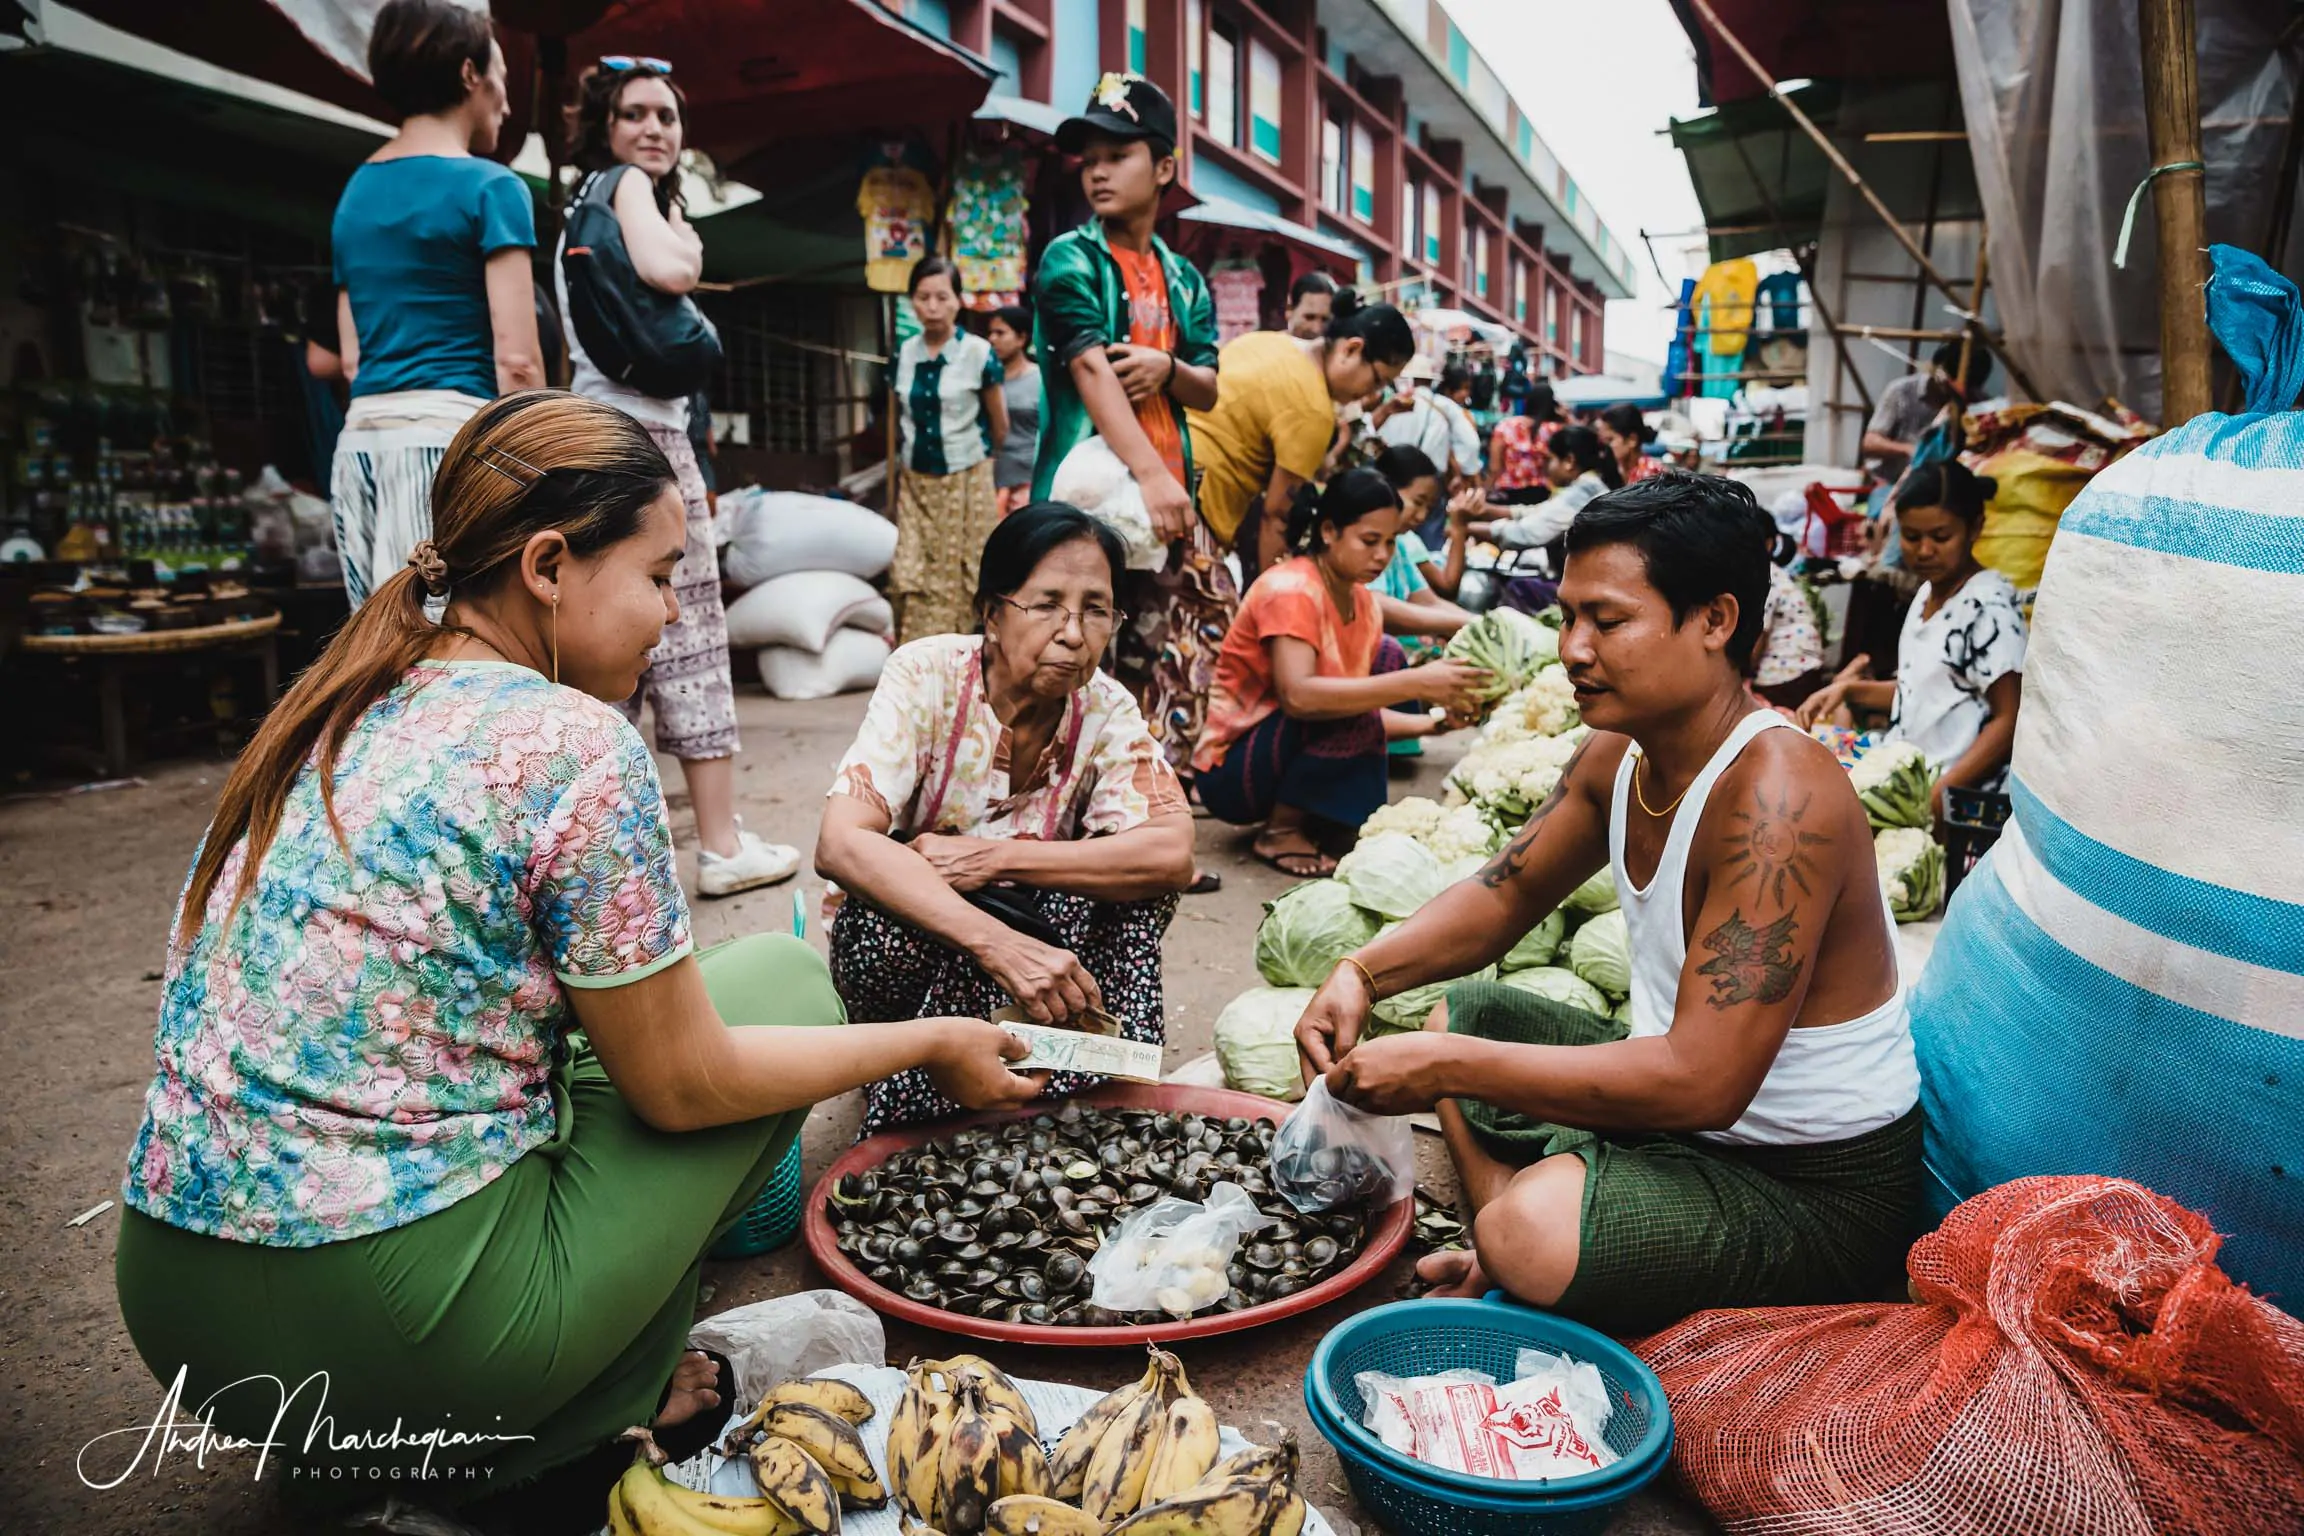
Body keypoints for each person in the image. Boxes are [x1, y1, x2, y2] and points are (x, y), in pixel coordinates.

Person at [113, 392, 1039, 1517]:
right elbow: (684, 1085)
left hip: (185, 1325)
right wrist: (938, 1038)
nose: (671, 615)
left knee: (712, 1006)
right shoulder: (570, 743)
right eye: (657, 576)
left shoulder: (328, 709)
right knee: (792, 985)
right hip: (396, 1319)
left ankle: (370, 1447)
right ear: (549, 564)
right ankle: (597, 1406)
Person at [1293, 473, 1922, 1337]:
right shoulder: (1616, 756)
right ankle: (1525, 1251)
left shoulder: (1782, 799)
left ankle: (1519, 1248)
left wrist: (1443, 1067)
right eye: (1568, 617)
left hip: (1811, 1186)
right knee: (1462, 1007)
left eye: (1610, 621)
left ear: (1715, 621)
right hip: (1684, 1125)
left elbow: (1703, 1085)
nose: (1574, 649)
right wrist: (1358, 970)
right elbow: (1498, 898)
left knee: (1525, 1217)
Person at [816, 504, 1195, 1133]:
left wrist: (994, 858)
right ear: (993, 613)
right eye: (1046, 604)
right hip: (904, 958)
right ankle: (923, 1089)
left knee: (1135, 894)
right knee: (910, 897)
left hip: (1036, 959)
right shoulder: (927, 673)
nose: (1074, 632)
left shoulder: (1105, 707)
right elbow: (841, 843)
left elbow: (1171, 855)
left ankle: (1083, 1085)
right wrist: (1000, 946)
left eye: (1096, 609)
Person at [558, 58, 795, 899]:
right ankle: (722, 844)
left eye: (666, 114)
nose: (654, 128)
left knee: (602, 640)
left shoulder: (580, 206)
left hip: (595, 435)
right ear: (607, 128)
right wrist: (683, 237)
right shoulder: (622, 187)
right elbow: (674, 273)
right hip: (647, 437)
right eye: (634, 114)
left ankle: (601, 855)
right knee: (687, 635)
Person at [1029, 72, 1221, 774]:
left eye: (1119, 153)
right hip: (1088, 508)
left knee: (1159, 668)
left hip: (1166, 506)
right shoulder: (1069, 259)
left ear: (1164, 167)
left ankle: (1137, 827)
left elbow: (1208, 388)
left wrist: (1167, 369)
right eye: (1091, 157)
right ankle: (1055, 842)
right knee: (1066, 669)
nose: (1099, 170)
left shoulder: (1185, 278)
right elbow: (1087, 367)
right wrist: (1151, 477)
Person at [328, 0, 542, 608]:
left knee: (376, 660)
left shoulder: (356, 191)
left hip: (362, 447)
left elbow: (351, 359)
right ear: (470, 74)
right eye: (501, 74)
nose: (506, 97)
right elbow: (519, 362)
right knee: (450, 659)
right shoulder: (493, 187)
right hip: (450, 443)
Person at [1193, 469, 1489, 875]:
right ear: (1329, 531)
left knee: (1381, 660)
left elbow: (1363, 709)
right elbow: (1301, 697)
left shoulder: (1359, 600)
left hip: (1279, 748)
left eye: (1390, 542)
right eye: (1370, 541)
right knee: (1369, 683)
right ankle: (1280, 831)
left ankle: (1318, 820)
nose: (1383, 555)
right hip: (1233, 773)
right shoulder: (1292, 590)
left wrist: (1434, 723)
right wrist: (1418, 681)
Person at [1797, 462, 2024, 813]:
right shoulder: (1926, 595)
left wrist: (1936, 799)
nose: (1925, 550)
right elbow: (1925, 694)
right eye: (1912, 537)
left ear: (1975, 528)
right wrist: (1847, 690)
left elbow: (2008, 719)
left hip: (1949, 789)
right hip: (1905, 768)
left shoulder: (1986, 607)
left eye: (1941, 537)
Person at [1188, 288, 1417, 577]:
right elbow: (1276, 518)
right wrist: (1273, 594)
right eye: (1377, 380)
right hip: (1196, 512)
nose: (1373, 393)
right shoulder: (1313, 409)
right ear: (1352, 349)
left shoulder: (1266, 342)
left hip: (1171, 470)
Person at [891, 257, 1011, 644]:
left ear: (959, 301)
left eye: (942, 297)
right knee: (912, 569)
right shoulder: (903, 353)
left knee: (967, 571)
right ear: (912, 302)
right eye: (923, 297)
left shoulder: (978, 352)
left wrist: (982, 465)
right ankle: (915, 656)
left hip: (966, 477)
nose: (932, 307)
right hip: (916, 482)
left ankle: (961, 656)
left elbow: (1000, 424)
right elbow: (897, 419)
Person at [1371, 443, 1478, 639]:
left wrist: (1484, 622)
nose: (1422, 516)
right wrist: (1465, 623)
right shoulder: (1368, 545)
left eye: (1428, 508)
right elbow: (1374, 604)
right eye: (1418, 502)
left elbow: (1428, 601)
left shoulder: (1401, 544)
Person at [1863, 338, 1992, 488]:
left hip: (1943, 486)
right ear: (1939, 372)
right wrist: (1909, 450)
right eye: (1951, 386)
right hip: (1892, 481)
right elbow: (1870, 444)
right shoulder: (1901, 391)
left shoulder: (1976, 402)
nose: (1959, 393)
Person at [988, 303, 1043, 516]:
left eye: (1000, 333)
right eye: (990, 333)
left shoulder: (1040, 380)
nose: (993, 339)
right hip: (991, 477)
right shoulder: (986, 380)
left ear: (1021, 338)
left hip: (1028, 480)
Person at [1488, 380, 1561, 506]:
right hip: (1541, 494)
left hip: (1508, 493)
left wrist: (1486, 489)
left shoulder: (1506, 426)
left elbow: (1495, 467)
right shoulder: (1554, 430)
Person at [1597, 402, 1661, 484]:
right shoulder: (1618, 471)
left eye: (1610, 440)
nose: (1606, 448)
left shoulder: (1650, 476)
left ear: (1632, 440)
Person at [1283, 270, 1337, 339]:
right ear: (1289, 310)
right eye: (1310, 317)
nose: (1317, 329)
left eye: (1325, 320)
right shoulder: (1268, 347)